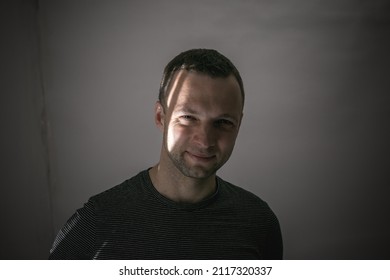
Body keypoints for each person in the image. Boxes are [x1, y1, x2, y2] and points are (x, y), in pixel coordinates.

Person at [49, 48, 283, 259]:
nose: (204, 141)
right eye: (188, 118)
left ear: (238, 125)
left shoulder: (258, 222)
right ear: (161, 117)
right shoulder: (96, 222)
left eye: (223, 122)